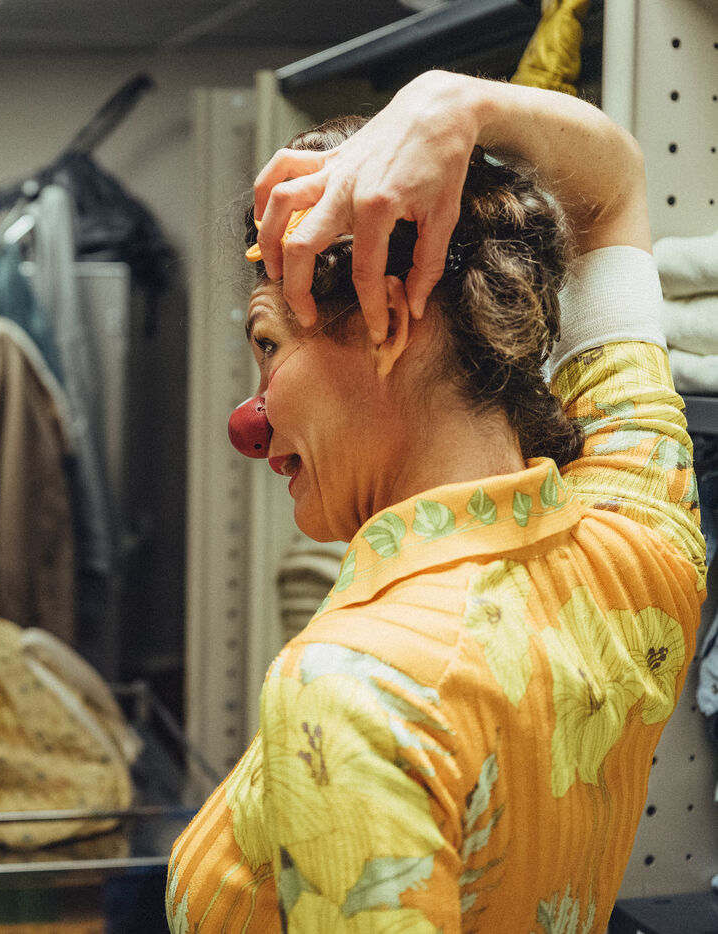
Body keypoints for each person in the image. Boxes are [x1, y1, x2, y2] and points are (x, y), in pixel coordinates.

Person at [167, 70, 706, 932]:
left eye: (267, 345)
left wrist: (450, 107)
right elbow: (614, 190)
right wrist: (457, 104)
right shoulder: (635, 544)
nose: (251, 421)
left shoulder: (352, 691)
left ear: (386, 316)